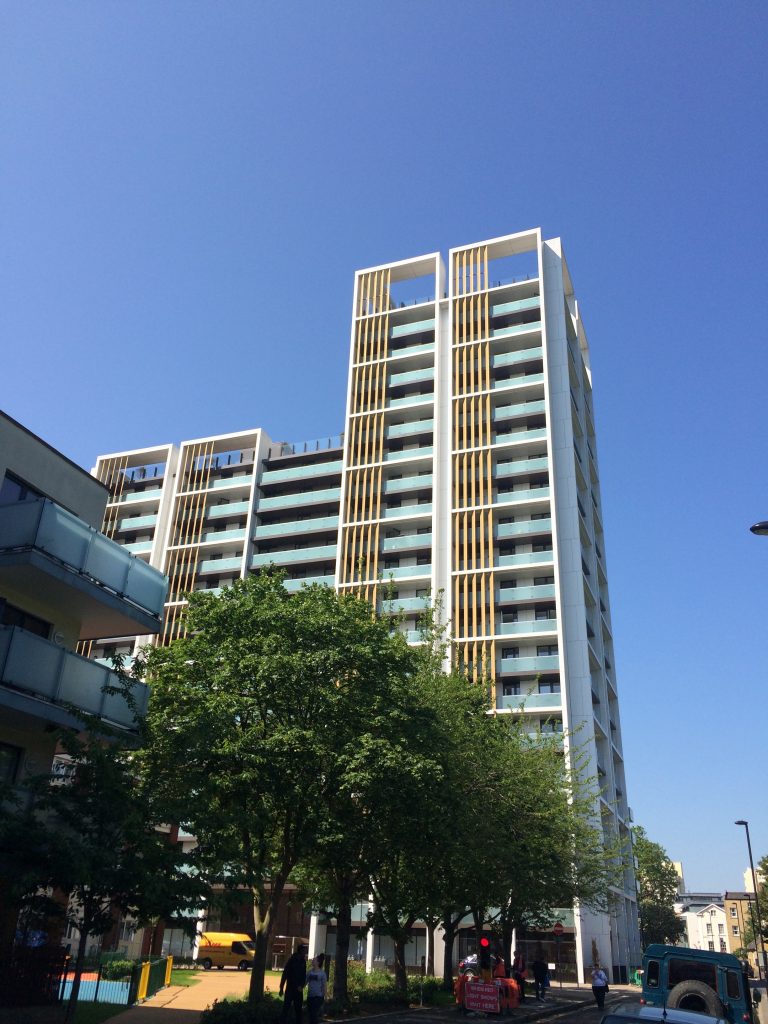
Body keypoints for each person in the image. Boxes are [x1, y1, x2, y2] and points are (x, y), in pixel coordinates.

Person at [280, 943, 308, 1024]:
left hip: (298, 990)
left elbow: (304, 976)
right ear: (300, 951)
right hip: (290, 988)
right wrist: (281, 987)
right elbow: (285, 974)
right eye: (304, 951)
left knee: (298, 1009)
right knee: (286, 1008)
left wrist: (302, 986)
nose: (305, 952)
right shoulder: (291, 960)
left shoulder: (303, 962)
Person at [306, 953, 328, 1024]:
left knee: (314, 1013)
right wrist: (300, 987)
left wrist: (325, 997)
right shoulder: (309, 972)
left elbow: (324, 985)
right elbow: (306, 981)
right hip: (310, 996)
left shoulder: (322, 973)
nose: (312, 961)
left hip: (318, 997)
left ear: (318, 962)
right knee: (310, 1015)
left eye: (314, 960)